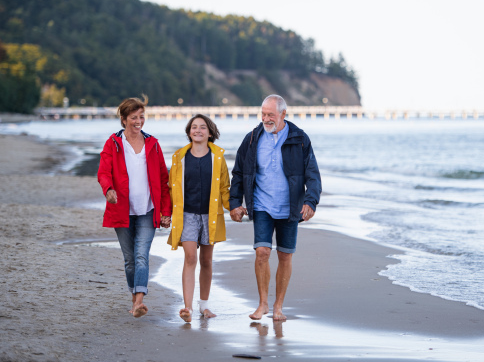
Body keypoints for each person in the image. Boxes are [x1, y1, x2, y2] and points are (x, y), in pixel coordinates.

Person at [229, 94, 322, 321]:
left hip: (290, 206)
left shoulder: (300, 138)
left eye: (270, 114)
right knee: (262, 252)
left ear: (283, 114)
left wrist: (310, 201)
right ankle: (262, 305)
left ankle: (278, 306)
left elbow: (312, 173)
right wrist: (234, 203)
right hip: (261, 205)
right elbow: (239, 172)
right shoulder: (252, 138)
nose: (266, 118)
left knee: (285, 256)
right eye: (263, 114)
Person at [97, 95, 172, 318]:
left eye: (141, 117)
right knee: (130, 261)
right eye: (133, 117)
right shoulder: (113, 143)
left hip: (148, 210)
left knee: (141, 256)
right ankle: (134, 296)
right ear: (124, 119)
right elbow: (103, 172)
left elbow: (163, 180)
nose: (138, 121)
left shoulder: (153, 144)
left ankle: (139, 300)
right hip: (122, 210)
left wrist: (166, 212)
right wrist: (108, 189)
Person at [167, 114, 230, 322]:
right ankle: (187, 308)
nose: (198, 130)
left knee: (206, 260)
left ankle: (204, 306)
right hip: (186, 216)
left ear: (210, 133)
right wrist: (165, 214)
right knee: (191, 257)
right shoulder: (179, 157)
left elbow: (224, 189)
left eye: (203, 127)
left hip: (210, 215)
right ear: (189, 132)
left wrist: (234, 208)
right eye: (194, 127)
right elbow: (171, 188)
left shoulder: (218, 157)